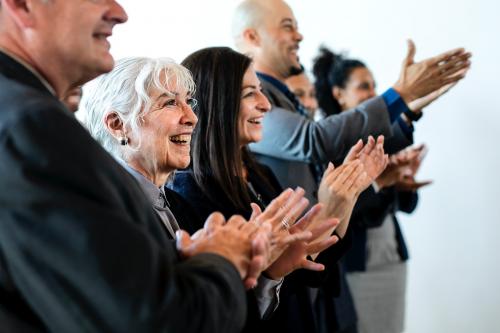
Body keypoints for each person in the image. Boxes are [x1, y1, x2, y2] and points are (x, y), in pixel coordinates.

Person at [0, 1, 270, 332]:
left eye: (189, 102)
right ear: (22, 5)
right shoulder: (31, 125)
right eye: (170, 102)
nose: (119, 12)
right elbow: (151, 320)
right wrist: (221, 258)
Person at [170, 46, 389, 333]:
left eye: (260, 91)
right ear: (216, 102)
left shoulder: (260, 175)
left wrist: (343, 198)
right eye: (250, 94)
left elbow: (305, 267)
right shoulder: (190, 193)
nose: (265, 104)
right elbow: (235, 308)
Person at [232, 0, 471, 206]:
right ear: (253, 36)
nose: (299, 36)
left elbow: (339, 153)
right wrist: (400, 94)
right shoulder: (244, 99)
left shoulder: (282, 95)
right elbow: (313, 140)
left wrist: (408, 107)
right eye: (288, 27)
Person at [313, 47, 434, 333]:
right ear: (339, 94)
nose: (373, 93)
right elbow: (341, 214)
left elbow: (406, 207)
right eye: (363, 86)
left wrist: (403, 181)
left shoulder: (382, 139)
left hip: (392, 260)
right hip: (356, 268)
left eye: (374, 86)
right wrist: (382, 181)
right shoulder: (330, 145)